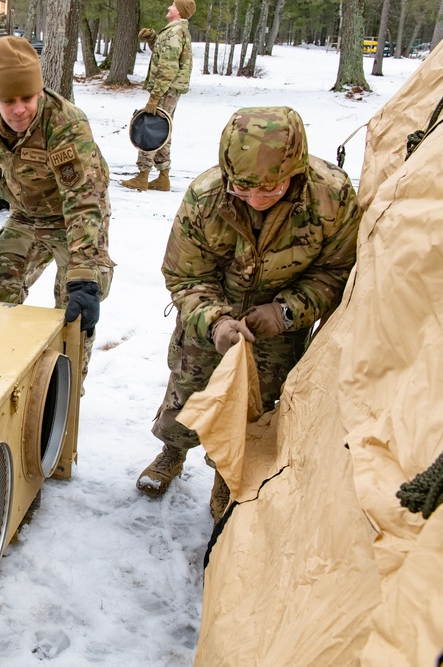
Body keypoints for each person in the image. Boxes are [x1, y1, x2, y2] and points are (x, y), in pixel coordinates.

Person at [137, 107, 361, 521]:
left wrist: (287, 311)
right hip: (209, 318)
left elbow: (338, 270)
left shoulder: (332, 196)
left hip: (279, 325)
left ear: (295, 171)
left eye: (270, 190)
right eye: (243, 191)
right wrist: (215, 321)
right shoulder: (205, 197)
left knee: (255, 404)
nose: (256, 200)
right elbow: (184, 275)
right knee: (188, 390)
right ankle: (173, 450)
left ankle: (227, 471)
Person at [0, 35, 114, 376]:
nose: (18, 109)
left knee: (73, 309)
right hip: (27, 216)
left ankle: (67, 391)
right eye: (7, 100)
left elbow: (84, 203)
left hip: (75, 221)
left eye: (28, 98)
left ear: (40, 92)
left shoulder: (65, 124)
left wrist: (85, 276)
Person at [121, 0, 196, 193]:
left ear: (179, 11)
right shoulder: (174, 31)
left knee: (150, 128)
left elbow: (169, 68)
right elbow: (166, 55)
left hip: (166, 89)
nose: (169, 7)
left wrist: (154, 98)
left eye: (173, 5)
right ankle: (163, 177)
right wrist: (153, 39)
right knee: (163, 129)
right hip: (170, 89)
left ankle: (143, 176)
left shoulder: (174, 32)